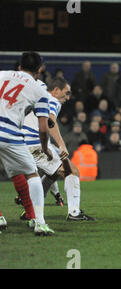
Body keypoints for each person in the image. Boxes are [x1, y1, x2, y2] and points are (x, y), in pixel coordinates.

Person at [21, 77, 96, 221]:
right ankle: (74, 213)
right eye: (66, 93)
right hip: (35, 144)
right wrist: (61, 144)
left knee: (53, 174)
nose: (68, 97)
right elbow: (50, 121)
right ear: (55, 91)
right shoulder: (53, 100)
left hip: (25, 142)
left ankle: (30, 210)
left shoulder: (39, 93)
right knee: (71, 170)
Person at [0, 51, 54, 235]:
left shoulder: (2, 75)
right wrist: (45, 148)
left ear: (20, 66)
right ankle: (39, 222)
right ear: (39, 70)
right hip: (9, 134)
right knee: (32, 174)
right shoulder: (39, 90)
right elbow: (44, 128)